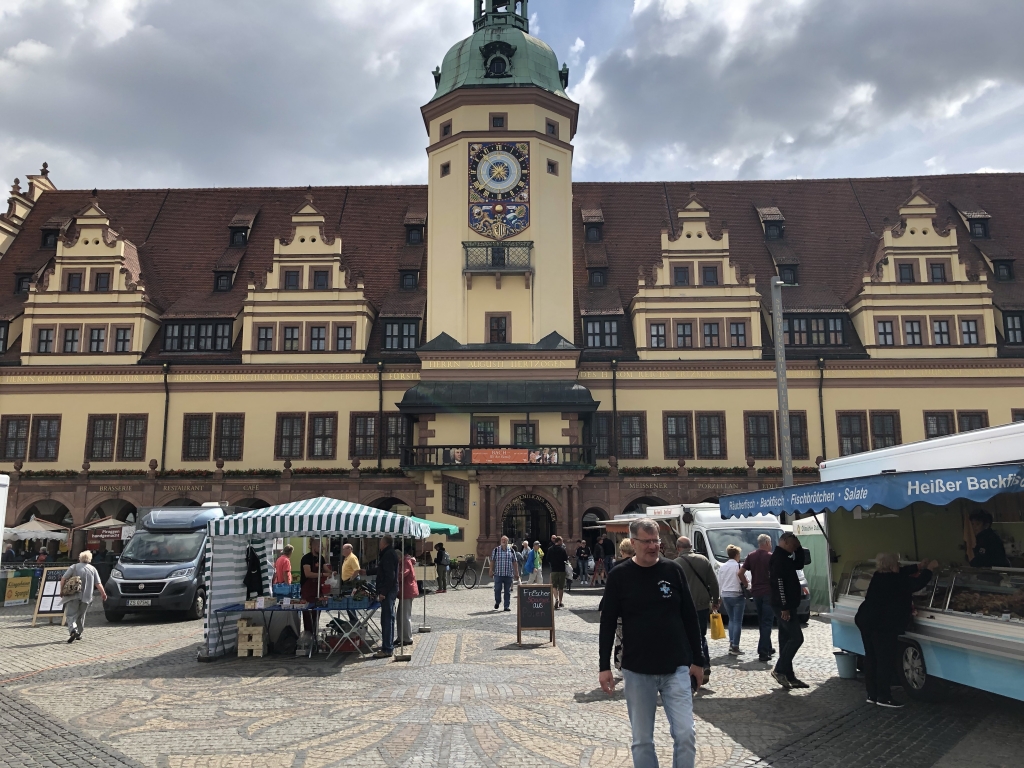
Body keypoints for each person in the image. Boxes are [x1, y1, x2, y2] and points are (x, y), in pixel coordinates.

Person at [599, 518, 704, 768]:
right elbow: (608, 622)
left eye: (655, 540)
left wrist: (698, 661)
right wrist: (604, 666)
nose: (653, 546)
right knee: (642, 740)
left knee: (686, 733)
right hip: (637, 669)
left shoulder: (673, 570)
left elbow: (690, 616)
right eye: (646, 541)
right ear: (633, 543)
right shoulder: (619, 576)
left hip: (676, 666)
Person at [855, 553, 937, 708]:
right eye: (897, 563)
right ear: (892, 566)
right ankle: (884, 697)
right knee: (884, 660)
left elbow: (902, 573)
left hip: (866, 619)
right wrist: (929, 570)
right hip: (883, 625)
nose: (899, 566)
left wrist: (918, 566)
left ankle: (872, 694)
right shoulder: (896, 580)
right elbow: (917, 584)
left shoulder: (879, 575)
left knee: (871, 657)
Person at [674, 536, 720, 684]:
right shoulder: (703, 560)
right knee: (701, 635)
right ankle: (704, 664)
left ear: (678, 548)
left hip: (684, 607)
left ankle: (691, 667)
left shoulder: (676, 564)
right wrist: (715, 600)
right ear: (691, 546)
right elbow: (713, 582)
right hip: (702, 604)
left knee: (687, 637)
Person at [769, 532, 809, 690]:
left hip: (787, 604)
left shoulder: (786, 557)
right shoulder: (779, 559)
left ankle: (789, 675)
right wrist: (784, 607)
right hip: (782, 605)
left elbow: (799, 564)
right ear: (785, 542)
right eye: (793, 545)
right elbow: (779, 584)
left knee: (785, 640)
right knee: (797, 638)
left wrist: (799, 548)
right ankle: (779, 670)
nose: (794, 548)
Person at [739, 534, 775, 662]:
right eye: (770, 543)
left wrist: (747, 585)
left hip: (756, 593)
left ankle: (768, 647)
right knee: (767, 622)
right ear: (767, 543)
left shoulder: (751, 556)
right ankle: (763, 652)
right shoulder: (770, 557)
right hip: (768, 592)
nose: (771, 546)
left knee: (762, 621)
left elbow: (740, 573)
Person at [60, 550, 107, 643]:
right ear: (90, 559)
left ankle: (73, 630)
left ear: (80, 558)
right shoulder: (93, 569)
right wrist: (103, 593)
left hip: (73, 595)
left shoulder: (74, 567)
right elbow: (98, 583)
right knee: (81, 615)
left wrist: (61, 590)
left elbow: (63, 578)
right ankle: (79, 633)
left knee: (70, 614)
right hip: (86, 597)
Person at [718, 544, 748, 656]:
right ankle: (735, 645)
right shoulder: (738, 566)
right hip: (737, 594)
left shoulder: (723, 567)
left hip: (725, 594)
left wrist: (719, 597)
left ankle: (731, 643)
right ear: (736, 555)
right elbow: (745, 580)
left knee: (731, 619)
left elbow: (719, 582)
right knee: (737, 621)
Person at [374, 534, 401, 659]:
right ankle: (388, 646)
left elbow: (390, 576)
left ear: (384, 543)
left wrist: (383, 593)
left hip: (388, 591)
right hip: (390, 589)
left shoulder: (388, 554)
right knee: (389, 618)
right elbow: (382, 570)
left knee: (387, 619)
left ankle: (387, 648)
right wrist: (366, 572)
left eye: (380, 542)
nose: (379, 544)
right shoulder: (388, 553)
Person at [300, 539, 331, 635]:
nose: (322, 548)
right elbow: (308, 574)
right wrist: (323, 574)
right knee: (307, 614)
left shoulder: (321, 558)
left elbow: (326, 569)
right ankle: (308, 634)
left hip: (317, 589)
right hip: (307, 590)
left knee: (317, 613)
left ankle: (315, 634)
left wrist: (331, 572)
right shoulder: (306, 558)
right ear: (313, 547)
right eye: (320, 546)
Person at [491, 535, 519, 611]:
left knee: (507, 591)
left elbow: (515, 562)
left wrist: (516, 573)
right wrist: (490, 570)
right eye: (502, 540)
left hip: (508, 574)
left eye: (505, 540)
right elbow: (492, 561)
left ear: (507, 542)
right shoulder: (496, 550)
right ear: (500, 541)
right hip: (498, 574)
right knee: (497, 589)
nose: (503, 541)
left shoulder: (511, 551)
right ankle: (497, 601)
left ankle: (506, 606)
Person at [397, 550, 420, 646]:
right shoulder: (405, 561)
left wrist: (394, 577)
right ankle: (401, 636)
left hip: (407, 590)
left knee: (405, 616)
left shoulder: (405, 562)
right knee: (400, 616)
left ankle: (407, 638)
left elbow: (403, 574)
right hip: (405, 591)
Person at [547, 536, 569, 608]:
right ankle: (560, 602)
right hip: (561, 570)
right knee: (561, 587)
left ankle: (556, 598)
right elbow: (566, 559)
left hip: (554, 570)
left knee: (554, 586)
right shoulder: (562, 550)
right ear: (558, 541)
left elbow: (547, 559)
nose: (562, 542)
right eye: (561, 541)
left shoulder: (550, 549)